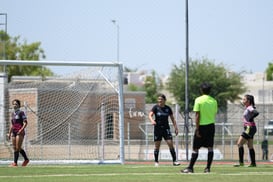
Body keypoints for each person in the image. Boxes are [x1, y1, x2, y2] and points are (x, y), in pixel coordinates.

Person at [181, 82, 218, 173]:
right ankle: (208, 168)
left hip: (201, 126)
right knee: (210, 147)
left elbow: (197, 115)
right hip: (211, 126)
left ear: (201, 90)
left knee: (195, 148)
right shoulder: (214, 101)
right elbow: (214, 113)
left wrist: (197, 129)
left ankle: (190, 168)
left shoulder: (198, 100)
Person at [148, 94, 180, 167]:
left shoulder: (168, 108)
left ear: (164, 100)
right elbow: (150, 115)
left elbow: (172, 119)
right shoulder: (155, 107)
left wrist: (176, 128)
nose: (159, 100)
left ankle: (175, 161)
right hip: (158, 129)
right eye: (158, 99)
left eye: (161, 99)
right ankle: (156, 162)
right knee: (157, 146)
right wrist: (152, 120)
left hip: (166, 129)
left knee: (170, 144)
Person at [234, 94, 259, 167]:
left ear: (248, 101)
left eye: (244, 99)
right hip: (251, 128)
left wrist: (251, 118)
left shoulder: (249, 107)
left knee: (239, 143)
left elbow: (256, 112)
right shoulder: (248, 107)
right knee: (250, 146)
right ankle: (253, 163)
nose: (243, 100)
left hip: (249, 128)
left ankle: (241, 163)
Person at [8, 99, 30, 167]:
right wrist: (9, 133)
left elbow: (25, 123)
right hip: (14, 132)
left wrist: (21, 130)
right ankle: (26, 159)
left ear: (19, 106)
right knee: (15, 147)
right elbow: (13, 125)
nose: (14, 105)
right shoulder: (12, 114)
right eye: (14, 104)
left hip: (19, 131)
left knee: (18, 147)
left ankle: (15, 163)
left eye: (16, 104)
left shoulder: (21, 113)